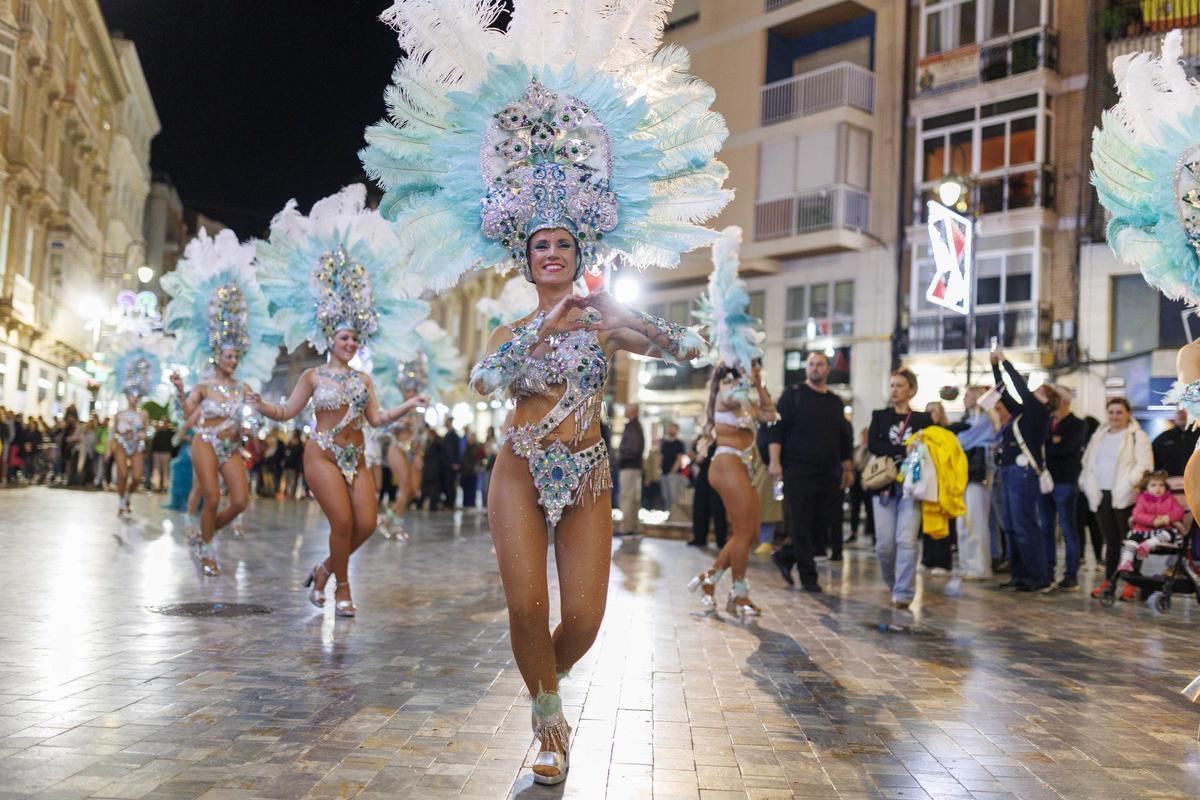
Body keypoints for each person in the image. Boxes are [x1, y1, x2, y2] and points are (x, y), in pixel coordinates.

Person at [365, 2, 728, 780]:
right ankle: (551, 726)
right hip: (521, 472)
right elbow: (490, 376)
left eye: (566, 243)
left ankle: (542, 690)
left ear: (580, 248)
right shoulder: (510, 330)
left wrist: (636, 318)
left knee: (587, 619)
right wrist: (548, 322)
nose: (555, 253)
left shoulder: (602, 326)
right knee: (527, 610)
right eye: (542, 246)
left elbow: (684, 349)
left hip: (590, 470)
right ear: (527, 260)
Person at [254, 184, 429, 615]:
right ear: (331, 337)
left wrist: (408, 406)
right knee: (344, 522)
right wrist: (259, 405)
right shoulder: (313, 376)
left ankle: (324, 570)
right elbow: (286, 412)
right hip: (322, 456)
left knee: (367, 524)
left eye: (355, 337)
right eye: (344, 337)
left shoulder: (365, 379)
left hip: (358, 459)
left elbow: (377, 417)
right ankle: (342, 591)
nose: (350, 343)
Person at [163, 229, 280, 576]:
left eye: (236, 356)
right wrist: (181, 389)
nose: (233, 361)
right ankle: (208, 549)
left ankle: (205, 532)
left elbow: (249, 420)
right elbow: (188, 414)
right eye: (228, 356)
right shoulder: (203, 385)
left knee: (241, 501)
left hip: (230, 447)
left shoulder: (242, 386)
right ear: (217, 356)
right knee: (211, 497)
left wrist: (255, 413)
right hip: (205, 442)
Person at [687, 228, 777, 616]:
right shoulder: (726, 387)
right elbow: (748, 407)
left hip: (744, 464)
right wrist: (744, 379)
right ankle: (738, 594)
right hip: (725, 462)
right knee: (743, 533)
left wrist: (756, 379)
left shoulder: (749, 384)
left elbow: (770, 413)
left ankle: (712, 577)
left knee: (751, 533)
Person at [768, 351, 852, 593]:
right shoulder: (792, 396)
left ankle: (785, 556)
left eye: (821, 364)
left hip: (829, 472)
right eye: (812, 364)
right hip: (797, 470)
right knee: (801, 525)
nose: (816, 368)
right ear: (807, 369)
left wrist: (847, 466)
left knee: (820, 526)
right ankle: (808, 576)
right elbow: (777, 431)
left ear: (828, 369)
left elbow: (844, 438)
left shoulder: (835, 402)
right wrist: (775, 462)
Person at [867, 368, 933, 608]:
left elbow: (933, 445)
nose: (894, 390)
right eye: (892, 385)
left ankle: (903, 593)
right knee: (884, 545)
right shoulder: (880, 416)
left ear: (911, 390)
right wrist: (900, 451)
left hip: (912, 487)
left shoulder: (923, 420)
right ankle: (893, 582)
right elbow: (874, 444)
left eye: (899, 385)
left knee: (907, 541)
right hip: (884, 486)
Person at [989, 349, 1053, 593]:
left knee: (1025, 526)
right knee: (1011, 526)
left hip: (1023, 475)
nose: (1036, 393)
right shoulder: (1019, 415)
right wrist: (995, 366)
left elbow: (1019, 387)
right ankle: (1019, 575)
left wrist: (1006, 362)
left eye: (1041, 392)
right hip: (1008, 472)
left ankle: (1037, 576)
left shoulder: (1039, 414)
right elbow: (1001, 390)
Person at [1080, 396, 1153, 597]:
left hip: (1125, 495)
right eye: (1111, 412)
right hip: (1101, 494)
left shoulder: (1137, 436)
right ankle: (1109, 581)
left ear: (1128, 413)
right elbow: (1088, 462)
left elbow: (1145, 465)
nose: (1115, 416)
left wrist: (1130, 482)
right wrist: (1085, 482)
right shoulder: (1099, 435)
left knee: (1129, 541)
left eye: (1119, 412)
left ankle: (1132, 582)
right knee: (1110, 540)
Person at [105, 337, 163, 518]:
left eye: (137, 395)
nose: (134, 398)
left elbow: (148, 431)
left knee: (137, 477)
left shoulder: (143, 414)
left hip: (137, 446)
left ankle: (128, 495)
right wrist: (109, 448)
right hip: (122, 445)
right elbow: (112, 433)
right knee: (122, 475)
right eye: (131, 395)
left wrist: (142, 435)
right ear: (127, 395)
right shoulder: (119, 414)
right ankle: (121, 501)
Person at [1039, 385, 1085, 593]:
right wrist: (1052, 442)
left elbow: (1066, 448)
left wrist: (1050, 445)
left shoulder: (1076, 424)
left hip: (1065, 481)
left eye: (1055, 398)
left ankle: (1071, 575)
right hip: (1045, 481)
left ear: (1064, 400)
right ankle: (1047, 571)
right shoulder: (1047, 423)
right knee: (1045, 528)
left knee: (1067, 528)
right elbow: (1041, 445)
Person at [1115, 469, 1187, 600]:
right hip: (1144, 529)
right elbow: (1137, 514)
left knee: (1169, 533)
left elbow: (1179, 512)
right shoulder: (1143, 499)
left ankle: (1147, 545)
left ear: (1166, 487)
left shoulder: (1170, 499)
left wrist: (1167, 518)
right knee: (1132, 539)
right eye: (1153, 485)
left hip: (1162, 530)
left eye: (1161, 485)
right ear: (1146, 488)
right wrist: (1152, 520)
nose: (1158, 488)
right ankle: (1126, 561)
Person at [952, 386, 999, 580]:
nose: (965, 399)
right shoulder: (966, 420)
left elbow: (964, 440)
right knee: (963, 522)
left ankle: (979, 566)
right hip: (962, 473)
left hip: (977, 473)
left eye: (969, 395)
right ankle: (966, 563)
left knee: (976, 520)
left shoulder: (985, 420)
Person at [689, 434, 728, 549]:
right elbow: (695, 455)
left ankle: (721, 540)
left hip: (718, 473)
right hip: (704, 474)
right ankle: (699, 538)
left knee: (718, 507)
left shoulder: (721, 438)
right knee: (700, 505)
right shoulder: (703, 437)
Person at [615, 404, 644, 537]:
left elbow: (633, 448)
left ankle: (626, 527)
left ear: (633, 412)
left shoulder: (633, 427)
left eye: (627, 409)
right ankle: (633, 526)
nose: (625, 411)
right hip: (634, 466)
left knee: (627, 497)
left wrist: (620, 456)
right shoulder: (636, 426)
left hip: (629, 466)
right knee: (633, 498)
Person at [1152, 408, 1198, 478]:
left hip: (1196, 483)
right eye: (1179, 411)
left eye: (1185, 411)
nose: (1182, 414)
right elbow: (1154, 465)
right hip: (1168, 485)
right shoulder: (1161, 439)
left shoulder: (1199, 436)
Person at [659, 422, 686, 517]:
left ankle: (675, 516)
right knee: (666, 496)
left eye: (673, 428)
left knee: (673, 495)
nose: (671, 430)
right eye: (670, 428)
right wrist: (660, 469)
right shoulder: (665, 444)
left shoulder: (679, 444)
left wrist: (673, 470)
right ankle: (669, 515)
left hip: (673, 474)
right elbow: (661, 457)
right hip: (664, 473)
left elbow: (679, 459)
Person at [460, 428, 485, 508]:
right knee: (466, 491)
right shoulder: (466, 447)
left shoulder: (477, 448)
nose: (469, 439)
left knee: (472, 490)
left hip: (472, 473)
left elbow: (480, 459)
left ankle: (471, 505)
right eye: (469, 438)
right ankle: (465, 504)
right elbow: (464, 459)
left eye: (471, 438)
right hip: (465, 472)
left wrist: (476, 466)